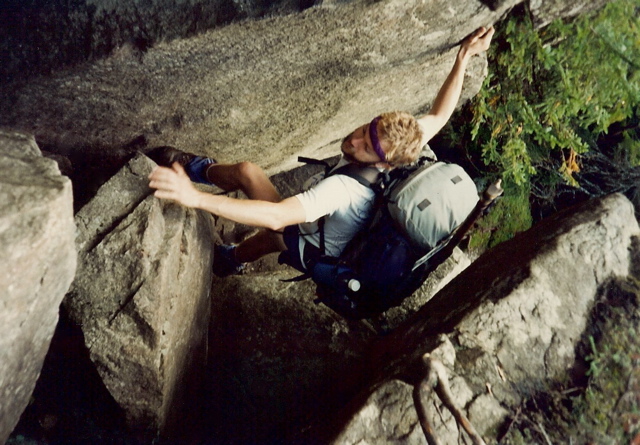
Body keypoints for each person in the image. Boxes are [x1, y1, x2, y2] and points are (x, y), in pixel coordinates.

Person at [148, 26, 495, 277]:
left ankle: (194, 170)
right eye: (365, 129)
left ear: (384, 161)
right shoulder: (397, 151)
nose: (354, 141)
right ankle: (231, 259)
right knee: (280, 235)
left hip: (317, 249)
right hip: (326, 236)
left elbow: (277, 217)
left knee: (251, 179)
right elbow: (438, 115)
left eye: (366, 146)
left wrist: (193, 198)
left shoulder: (344, 190)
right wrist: (464, 56)